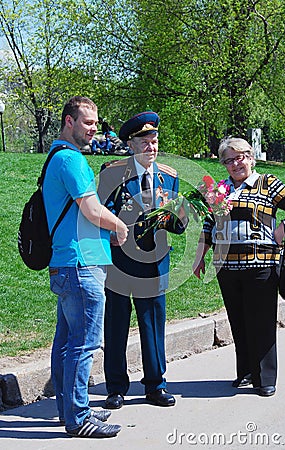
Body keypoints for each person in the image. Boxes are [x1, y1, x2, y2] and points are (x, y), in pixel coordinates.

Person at [193, 137, 285, 397]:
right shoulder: (218, 189)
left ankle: (265, 377)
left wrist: (281, 231)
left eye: (240, 157)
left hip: (261, 264)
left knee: (262, 320)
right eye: (229, 160)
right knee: (239, 320)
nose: (235, 164)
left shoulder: (266, 183)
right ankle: (245, 372)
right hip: (226, 266)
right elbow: (210, 223)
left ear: (250, 157)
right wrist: (200, 257)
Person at [42, 96, 128, 438]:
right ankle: (78, 419)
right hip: (81, 264)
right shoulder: (71, 160)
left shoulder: (55, 157)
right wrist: (119, 225)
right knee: (84, 343)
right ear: (69, 122)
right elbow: (92, 211)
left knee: (66, 341)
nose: (93, 128)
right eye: (87, 122)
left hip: (66, 264)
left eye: (95, 122)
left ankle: (70, 408)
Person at [98, 111, 188, 409]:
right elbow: (100, 215)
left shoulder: (169, 175)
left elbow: (176, 224)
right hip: (120, 262)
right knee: (116, 322)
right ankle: (115, 387)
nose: (152, 147)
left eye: (155, 141)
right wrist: (113, 231)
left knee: (152, 323)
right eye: (145, 142)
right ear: (131, 144)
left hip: (154, 261)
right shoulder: (112, 173)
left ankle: (155, 384)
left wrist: (180, 215)